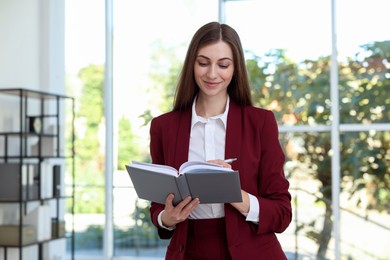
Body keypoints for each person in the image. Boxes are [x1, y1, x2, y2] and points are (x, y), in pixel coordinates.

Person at [148, 21, 292, 260]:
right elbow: (157, 206)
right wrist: (166, 218)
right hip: (188, 251)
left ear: (235, 69)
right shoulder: (164, 127)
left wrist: (234, 192)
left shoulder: (260, 123)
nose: (212, 74)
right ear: (191, 65)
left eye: (223, 65)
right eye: (203, 63)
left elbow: (282, 213)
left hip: (254, 252)